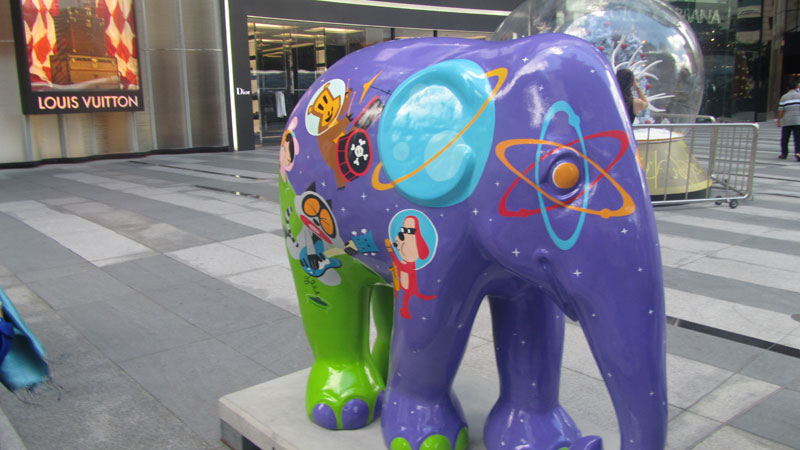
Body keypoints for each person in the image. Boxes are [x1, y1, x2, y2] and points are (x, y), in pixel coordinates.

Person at [777, 78, 800, 161]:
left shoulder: (784, 97)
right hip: (798, 120)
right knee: (798, 138)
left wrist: (779, 120)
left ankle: (784, 154)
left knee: (785, 138)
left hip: (787, 120)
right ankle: (798, 153)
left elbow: (781, 110)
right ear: (796, 87)